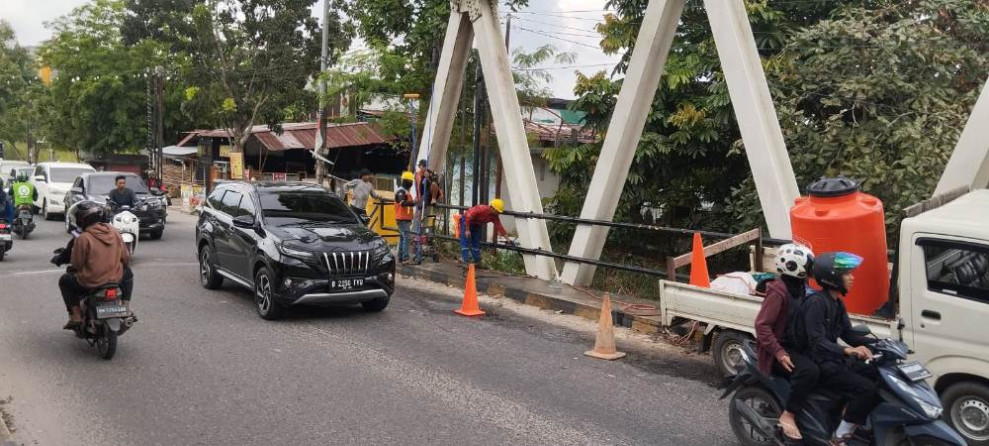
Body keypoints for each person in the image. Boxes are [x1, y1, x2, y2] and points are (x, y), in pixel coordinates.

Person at [792, 251, 878, 445]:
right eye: (846, 274)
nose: (852, 277)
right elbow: (817, 341)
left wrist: (881, 344)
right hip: (820, 363)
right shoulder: (816, 303)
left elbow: (847, 333)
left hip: (833, 359)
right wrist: (847, 350)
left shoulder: (837, 302)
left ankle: (851, 415)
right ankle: (838, 438)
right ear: (832, 278)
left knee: (876, 372)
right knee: (866, 389)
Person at [753, 243, 818, 441]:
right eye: (808, 266)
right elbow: (762, 326)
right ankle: (788, 414)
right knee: (809, 371)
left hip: (795, 345)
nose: (811, 270)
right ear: (795, 266)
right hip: (777, 352)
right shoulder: (778, 291)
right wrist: (779, 353)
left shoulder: (801, 289)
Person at [55, 201, 134, 330]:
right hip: (116, 279)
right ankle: (125, 306)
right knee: (129, 274)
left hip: (91, 281)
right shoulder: (115, 232)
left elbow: (77, 264)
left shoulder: (83, 238)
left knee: (65, 280)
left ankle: (76, 316)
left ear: (82, 220)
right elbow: (125, 258)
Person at [459, 199, 512, 266]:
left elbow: (499, 226)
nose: (498, 213)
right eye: (497, 211)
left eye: (499, 212)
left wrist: (508, 239)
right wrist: (467, 230)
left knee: (476, 243)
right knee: (465, 242)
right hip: (467, 221)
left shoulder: (494, 216)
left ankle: (477, 262)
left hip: (477, 224)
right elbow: (468, 216)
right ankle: (465, 262)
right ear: (492, 208)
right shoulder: (481, 209)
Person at [394, 171, 416, 264]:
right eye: (410, 181)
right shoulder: (401, 191)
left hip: (405, 218)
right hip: (402, 218)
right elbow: (402, 203)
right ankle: (405, 258)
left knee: (403, 237)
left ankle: (400, 257)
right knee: (407, 237)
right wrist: (414, 202)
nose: (411, 183)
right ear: (406, 181)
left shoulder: (405, 191)